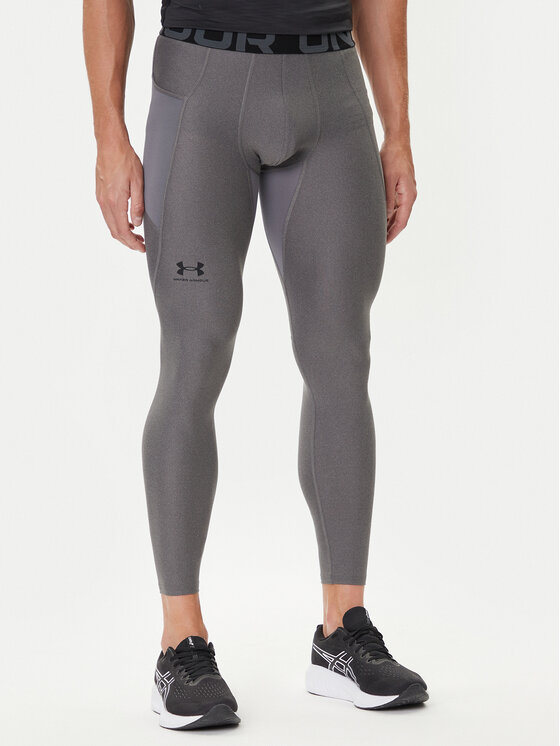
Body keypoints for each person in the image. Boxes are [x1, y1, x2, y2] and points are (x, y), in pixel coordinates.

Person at [83, 0, 428, 730]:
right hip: (199, 91)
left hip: (332, 93)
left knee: (341, 357)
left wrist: (398, 131)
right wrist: (109, 133)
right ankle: (181, 643)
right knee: (195, 352)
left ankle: (342, 632)